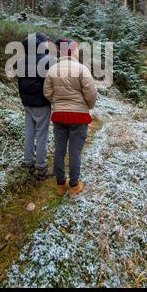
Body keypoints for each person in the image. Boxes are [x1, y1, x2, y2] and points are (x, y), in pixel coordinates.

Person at [44, 38, 97, 196]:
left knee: (59, 150)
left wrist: (58, 103)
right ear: (72, 51)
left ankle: (61, 185)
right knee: (75, 152)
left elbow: (47, 92)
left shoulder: (53, 70)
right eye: (76, 49)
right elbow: (91, 93)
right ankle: (74, 185)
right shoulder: (82, 69)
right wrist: (88, 105)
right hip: (79, 117)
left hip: (59, 116)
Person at [17, 32, 51, 180]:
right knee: (42, 136)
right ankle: (41, 167)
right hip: (42, 103)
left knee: (29, 134)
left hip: (27, 103)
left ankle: (29, 163)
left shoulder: (21, 60)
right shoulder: (46, 60)